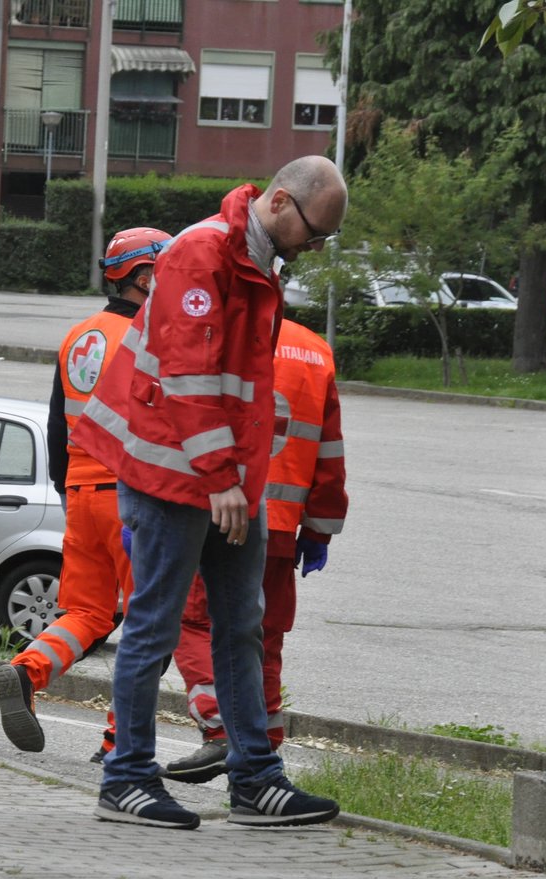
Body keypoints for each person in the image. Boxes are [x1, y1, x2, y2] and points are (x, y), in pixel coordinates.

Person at [72, 155, 348, 829]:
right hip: (172, 475)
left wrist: (243, 483)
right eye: (315, 232)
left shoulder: (256, 266)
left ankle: (255, 778)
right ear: (281, 203)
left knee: (240, 629)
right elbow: (189, 377)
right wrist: (225, 478)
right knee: (155, 627)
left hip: (225, 481)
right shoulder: (202, 253)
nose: (315, 248)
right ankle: (127, 777)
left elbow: (241, 387)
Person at [0, 227, 172, 753]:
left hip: (82, 494)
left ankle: (27, 672)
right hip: (133, 497)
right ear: (143, 277)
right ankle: (120, 741)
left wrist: (70, 491)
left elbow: (56, 426)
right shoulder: (149, 336)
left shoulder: (78, 336)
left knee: (88, 613)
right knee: (149, 622)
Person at [162, 318, 349, 783]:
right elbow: (328, 450)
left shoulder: (210, 331)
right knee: (264, 636)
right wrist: (319, 529)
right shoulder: (314, 350)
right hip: (283, 523)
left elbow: (175, 424)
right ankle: (262, 755)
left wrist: (146, 508)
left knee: (194, 621)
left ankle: (220, 726)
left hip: (213, 510)